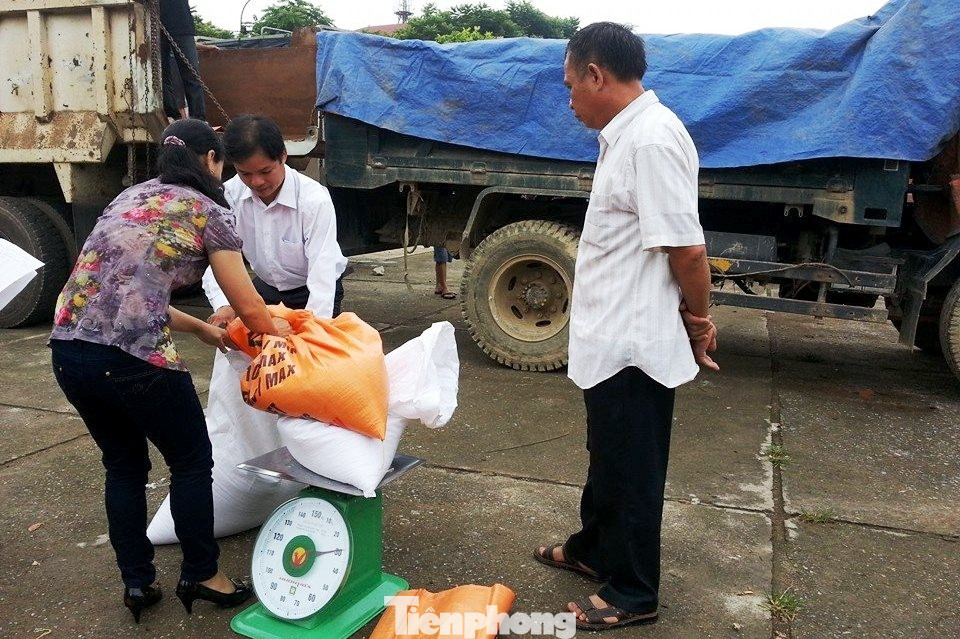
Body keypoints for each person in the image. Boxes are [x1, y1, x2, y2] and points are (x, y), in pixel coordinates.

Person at [48, 118, 290, 624]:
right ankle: (204, 574)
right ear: (209, 160)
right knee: (190, 461)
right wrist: (290, 336)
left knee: (123, 465)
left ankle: (137, 582)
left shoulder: (130, 198)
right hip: (133, 361)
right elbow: (248, 306)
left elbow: (127, 292)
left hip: (69, 351)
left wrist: (202, 331)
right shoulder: (207, 210)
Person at [533, 22, 718, 631]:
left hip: (636, 344)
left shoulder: (651, 141)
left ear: (596, 75)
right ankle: (595, 551)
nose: (569, 99)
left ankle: (635, 591)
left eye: (570, 85)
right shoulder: (626, 135)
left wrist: (700, 319)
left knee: (633, 468)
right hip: (610, 337)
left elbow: (687, 252)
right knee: (607, 457)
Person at [203, 114, 348, 323]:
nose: (257, 181)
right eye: (245, 173)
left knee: (307, 351)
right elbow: (216, 258)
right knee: (242, 351)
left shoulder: (314, 200)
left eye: (265, 171)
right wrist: (224, 305)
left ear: (283, 156)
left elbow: (322, 273)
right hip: (264, 289)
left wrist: (313, 326)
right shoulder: (228, 196)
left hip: (310, 290)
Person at [159, 0, 206, 121]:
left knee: (192, 75)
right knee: (162, 74)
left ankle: (198, 119)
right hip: (155, 25)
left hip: (182, 24)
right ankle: (173, 116)